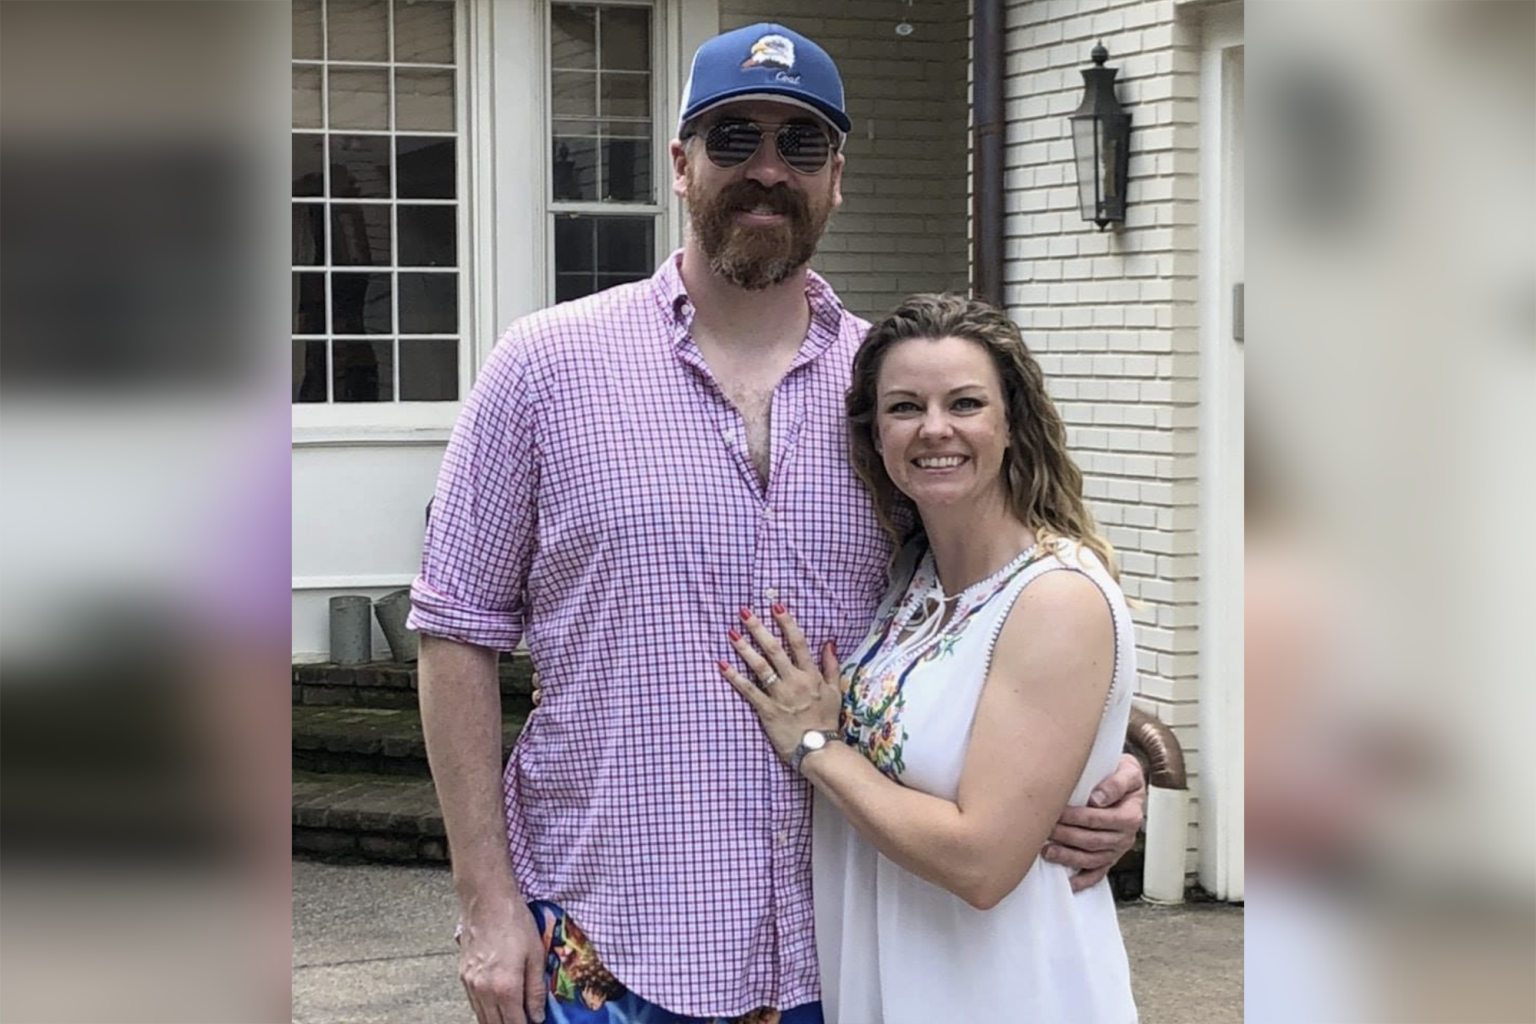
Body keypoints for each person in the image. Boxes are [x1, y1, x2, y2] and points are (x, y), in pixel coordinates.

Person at [408, 23, 1145, 1024]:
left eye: (800, 145)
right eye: (733, 139)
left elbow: (994, 607)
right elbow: (456, 633)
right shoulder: (544, 368)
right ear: (680, 164)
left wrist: (1113, 756)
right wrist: (485, 903)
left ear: (836, 177)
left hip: (840, 956)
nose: (767, 170)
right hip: (602, 944)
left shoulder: (894, 399)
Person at [717, 294, 1139, 1022]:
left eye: (966, 403)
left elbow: (982, 863)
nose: (935, 429)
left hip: (1009, 993)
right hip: (900, 985)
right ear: (875, 435)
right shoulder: (913, 578)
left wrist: (815, 744)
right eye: (905, 406)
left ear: (1012, 425)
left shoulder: (1056, 600)